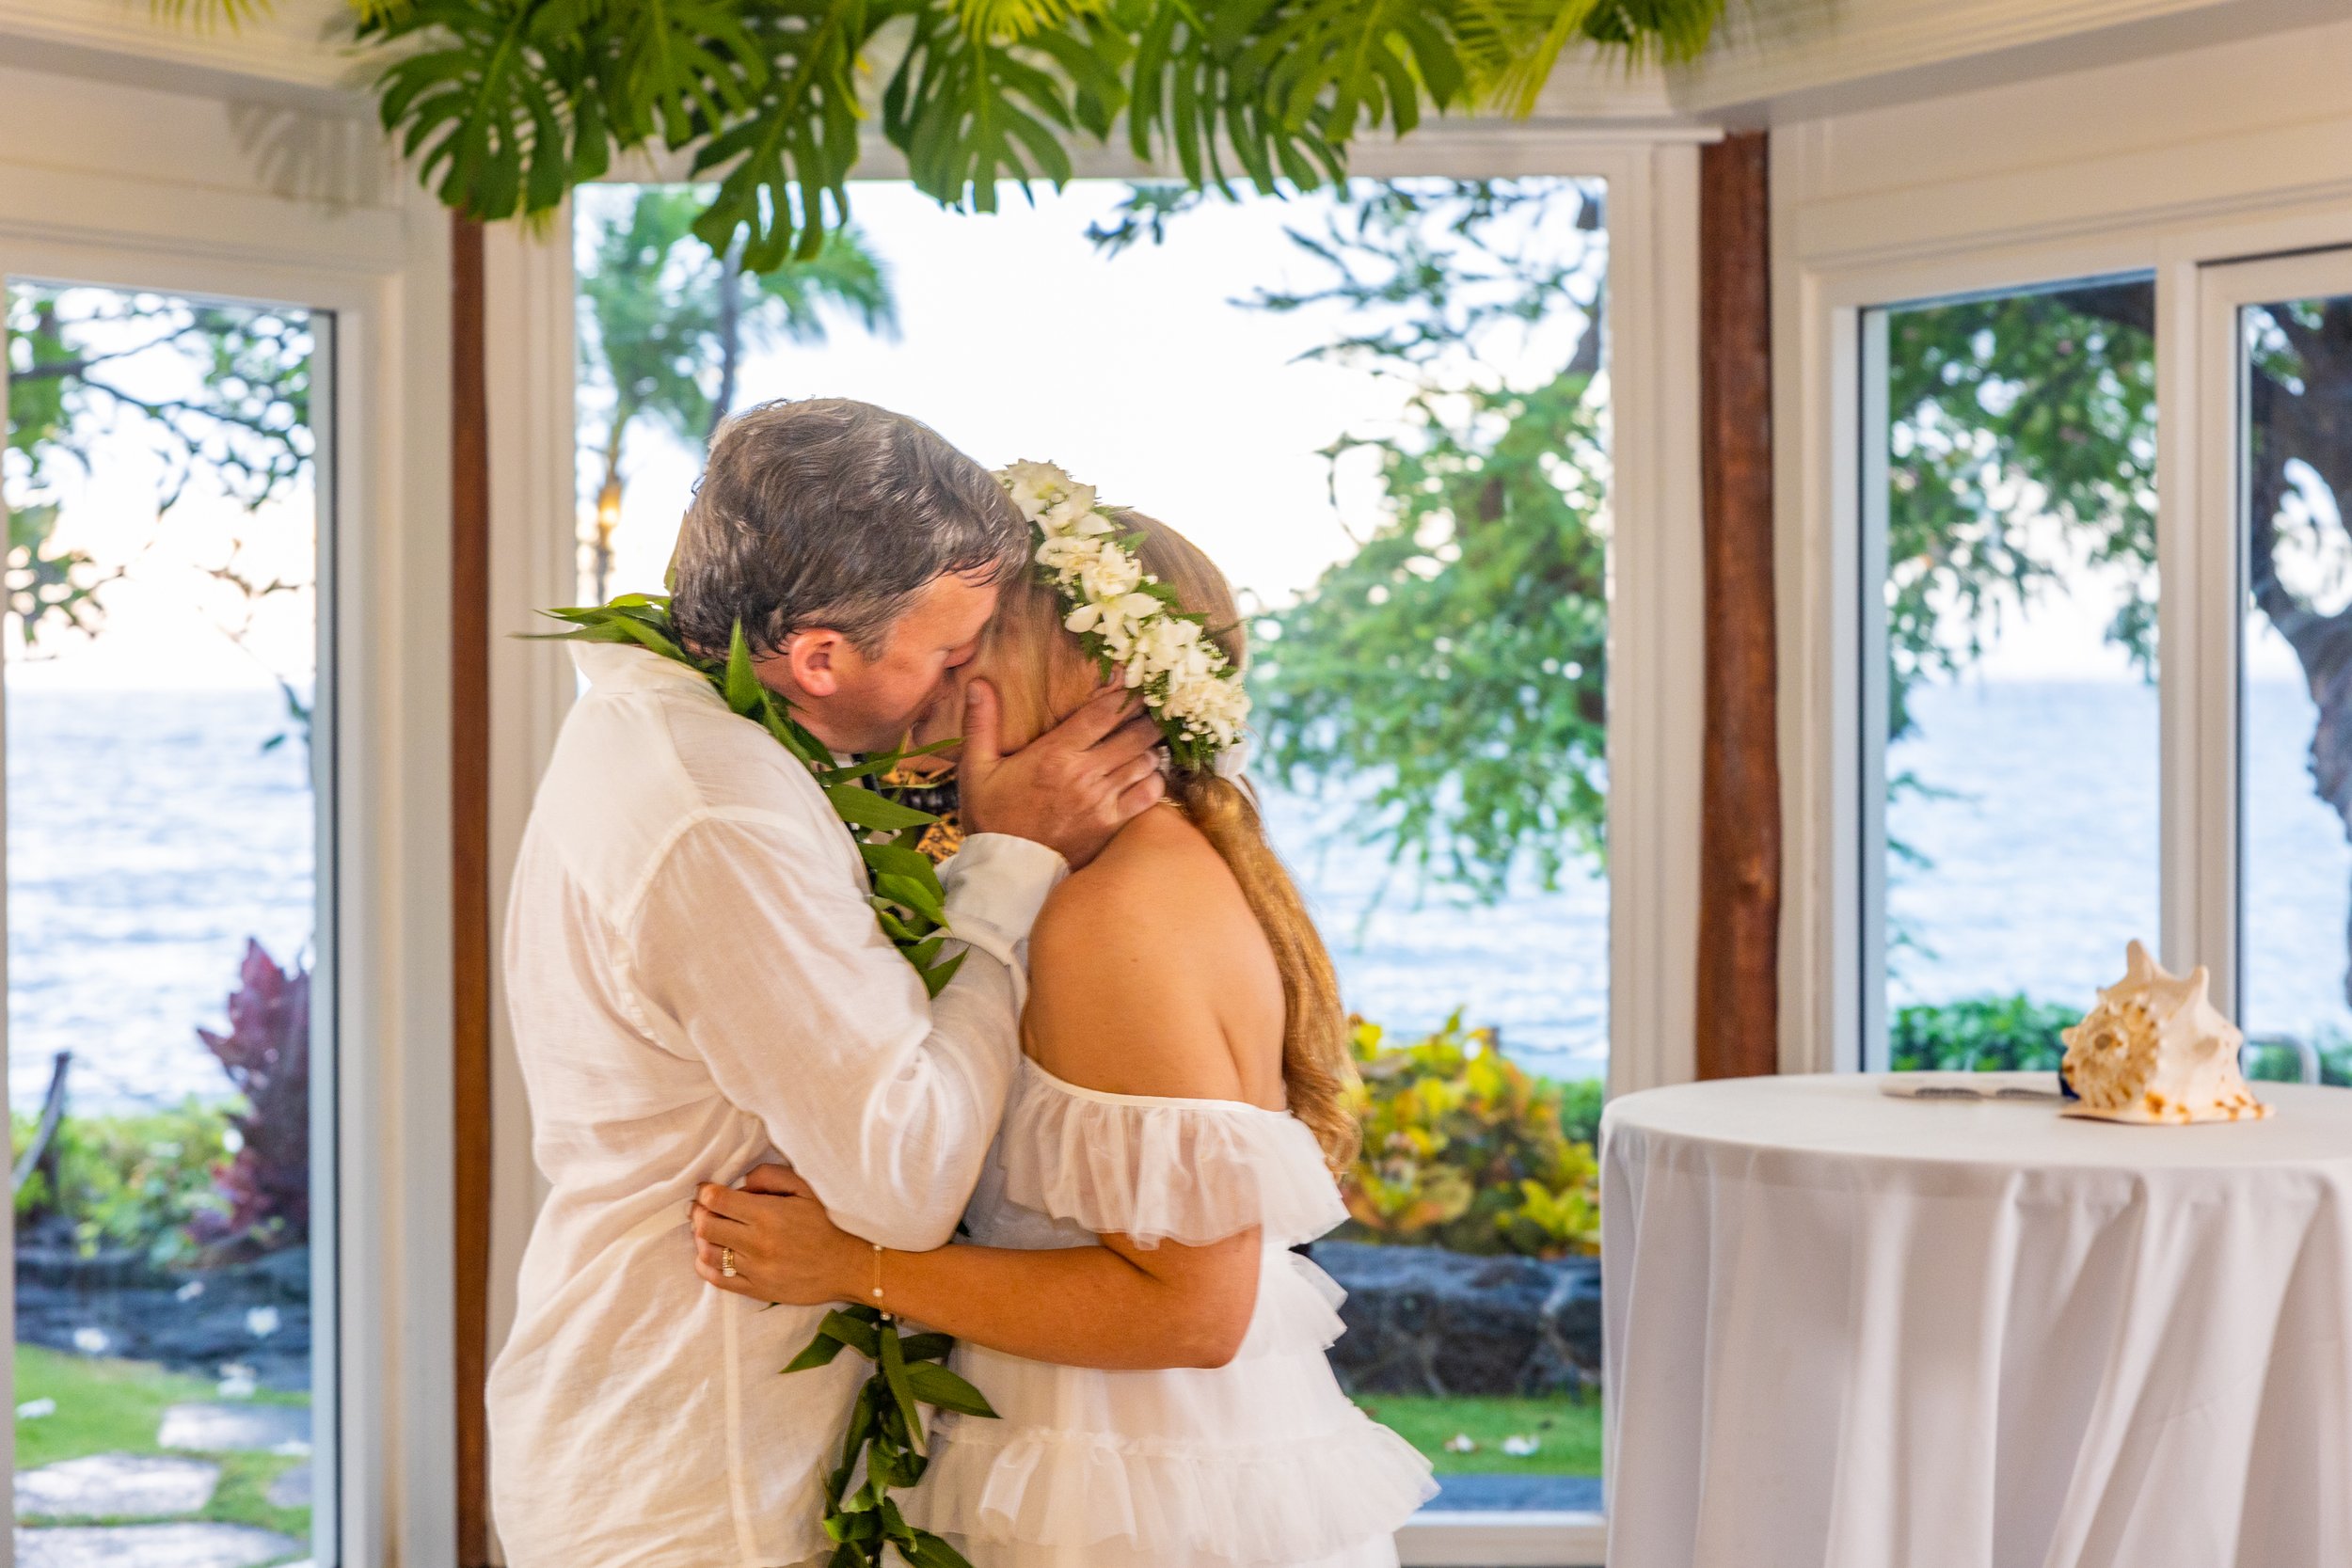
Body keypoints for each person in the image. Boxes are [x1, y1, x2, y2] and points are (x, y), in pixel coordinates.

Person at [691, 472, 1438, 1568]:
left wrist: (849, 1262)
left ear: (1081, 672)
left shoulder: (1114, 913)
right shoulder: (1129, 866)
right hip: (1110, 1454)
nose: (938, 665)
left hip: (1132, 1491)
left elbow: (1191, 1310)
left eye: (974, 640)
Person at [486, 403, 1179, 1568]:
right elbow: (901, 1173)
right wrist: (1013, 861)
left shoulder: (687, 731)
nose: (966, 694)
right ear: (818, 658)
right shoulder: (718, 811)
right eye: (953, 656)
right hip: (698, 1473)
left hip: (693, 1431)